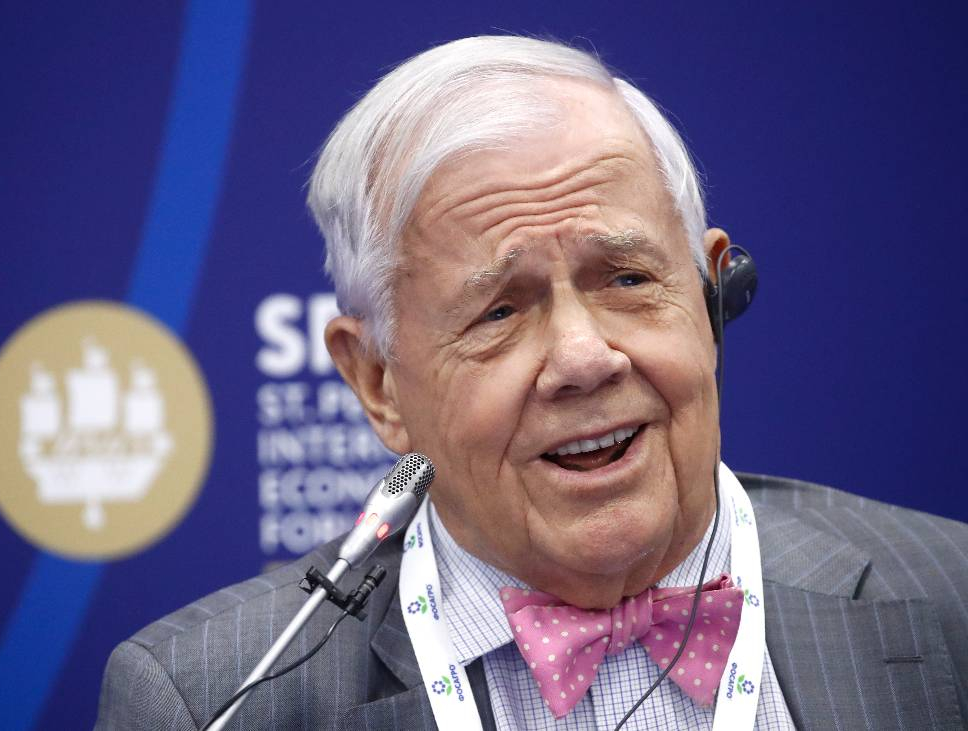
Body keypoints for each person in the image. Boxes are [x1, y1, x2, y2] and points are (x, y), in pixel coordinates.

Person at [95, 36, 968, 730]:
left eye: (627, 278)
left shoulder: (949, 595)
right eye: (500, 312)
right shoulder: (215, 699)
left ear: (709, 296)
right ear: (378, 382)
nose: (585, 358)